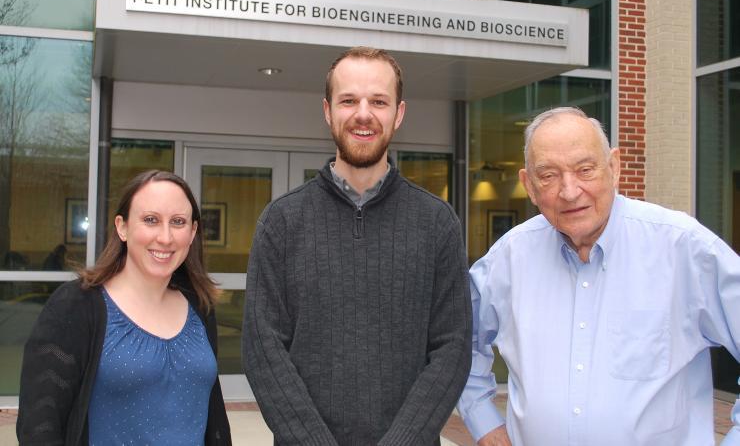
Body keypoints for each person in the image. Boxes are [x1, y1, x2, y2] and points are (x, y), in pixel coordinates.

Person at [457, 106, 740, 445]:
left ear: (614, 167)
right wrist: (484, 422)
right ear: (528, 185)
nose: (570, 190)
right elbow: (457, 342)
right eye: (548, 175)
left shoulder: (683, 248)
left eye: (585, 169)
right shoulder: (509, 259)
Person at [242, 46, 472, 445]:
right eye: (348, 100)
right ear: (328, 111)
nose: (363, 114)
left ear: (398, 114)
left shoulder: (438, 222)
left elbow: (452, 348)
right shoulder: (281, 221)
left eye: (378, 101)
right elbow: (263, 350)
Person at [17, 170, 231, 445]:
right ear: (122, 227)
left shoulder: (200, 307)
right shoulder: (76, 307)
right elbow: (39, 425)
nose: (165, 237)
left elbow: (212, 413)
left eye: (178, 222)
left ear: (192, 233)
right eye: (151, 220)